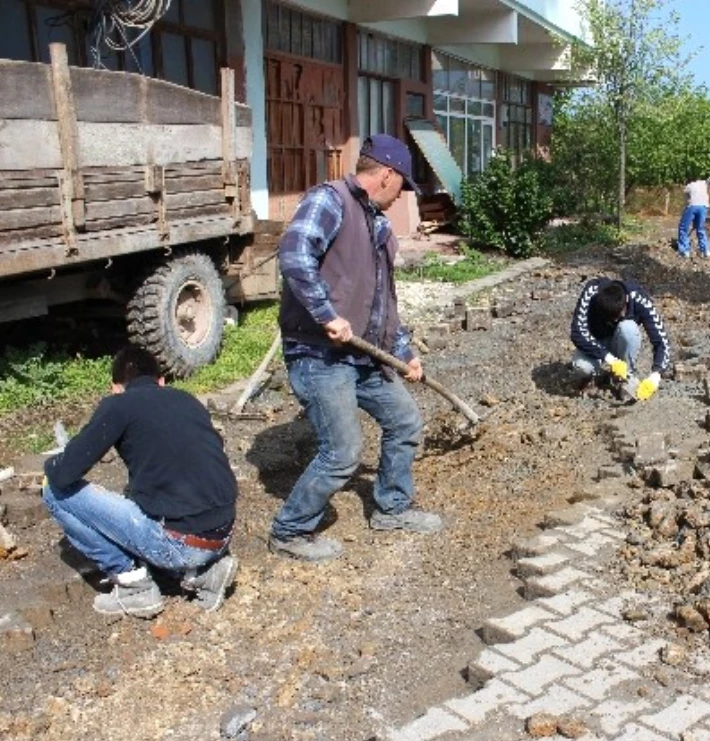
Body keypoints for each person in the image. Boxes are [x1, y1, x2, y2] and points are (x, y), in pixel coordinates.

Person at [271, 133, 442, 563]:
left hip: (363, 355)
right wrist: (327, 315)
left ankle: (392, 508)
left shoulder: (378, 227)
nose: (403, 194)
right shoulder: (330, 201)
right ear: (386, 175)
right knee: (343, 452)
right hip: (319, 357)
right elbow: (293, 255)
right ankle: (290, 530)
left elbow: (383, 302)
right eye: (403, 184)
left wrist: (404, 352)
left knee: (405, 422)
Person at [42, 345, 239, 619]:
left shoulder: (118, 405)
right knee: (141, 494)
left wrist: (50, 464)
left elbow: (65, 473)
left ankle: (133, 586)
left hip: (183, 545)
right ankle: (205, 573)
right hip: (223, 531)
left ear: (116, 388)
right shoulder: (187, 400)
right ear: (161, 381)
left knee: (53, 492)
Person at [570, 277, 671, 401]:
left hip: (622, 341)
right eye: (610, 317)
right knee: (582, 366)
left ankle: (627, 376)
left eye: (618, 316)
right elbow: (577, 332)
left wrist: (656, 375)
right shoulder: (592, 292)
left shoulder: (638, 297)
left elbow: (661, 341)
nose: (614, 320)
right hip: (596, 342)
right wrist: (609, 358)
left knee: (628, 327)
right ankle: (595, 377)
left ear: (626, 301)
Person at [677, 175, 710, 259]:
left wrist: (689, 215)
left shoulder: (688, 187)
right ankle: (705, 251)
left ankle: (684, 251)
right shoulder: (704, 183)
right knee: (700, 228)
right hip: (704, 207)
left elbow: (686, 203)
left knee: (683, 228)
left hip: (692, 206)